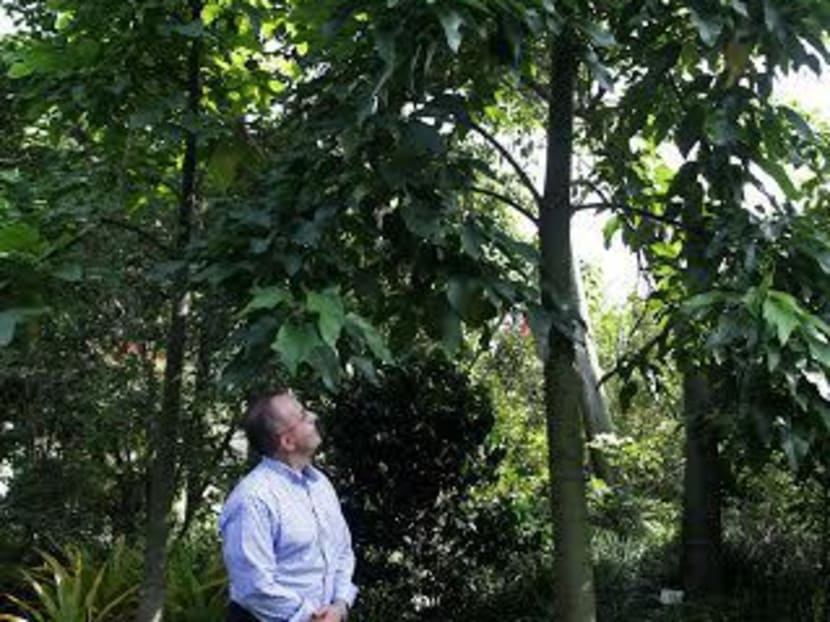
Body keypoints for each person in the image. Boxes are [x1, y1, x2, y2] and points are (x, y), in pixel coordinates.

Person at [219, 391, 358, 622]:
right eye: (302, 416)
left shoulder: (320, 485)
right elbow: (254, 586)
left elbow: (342, 551)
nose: (313, 417)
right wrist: (311, 617)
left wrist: (340, 604)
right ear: (287, 441)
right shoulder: (253, 499)